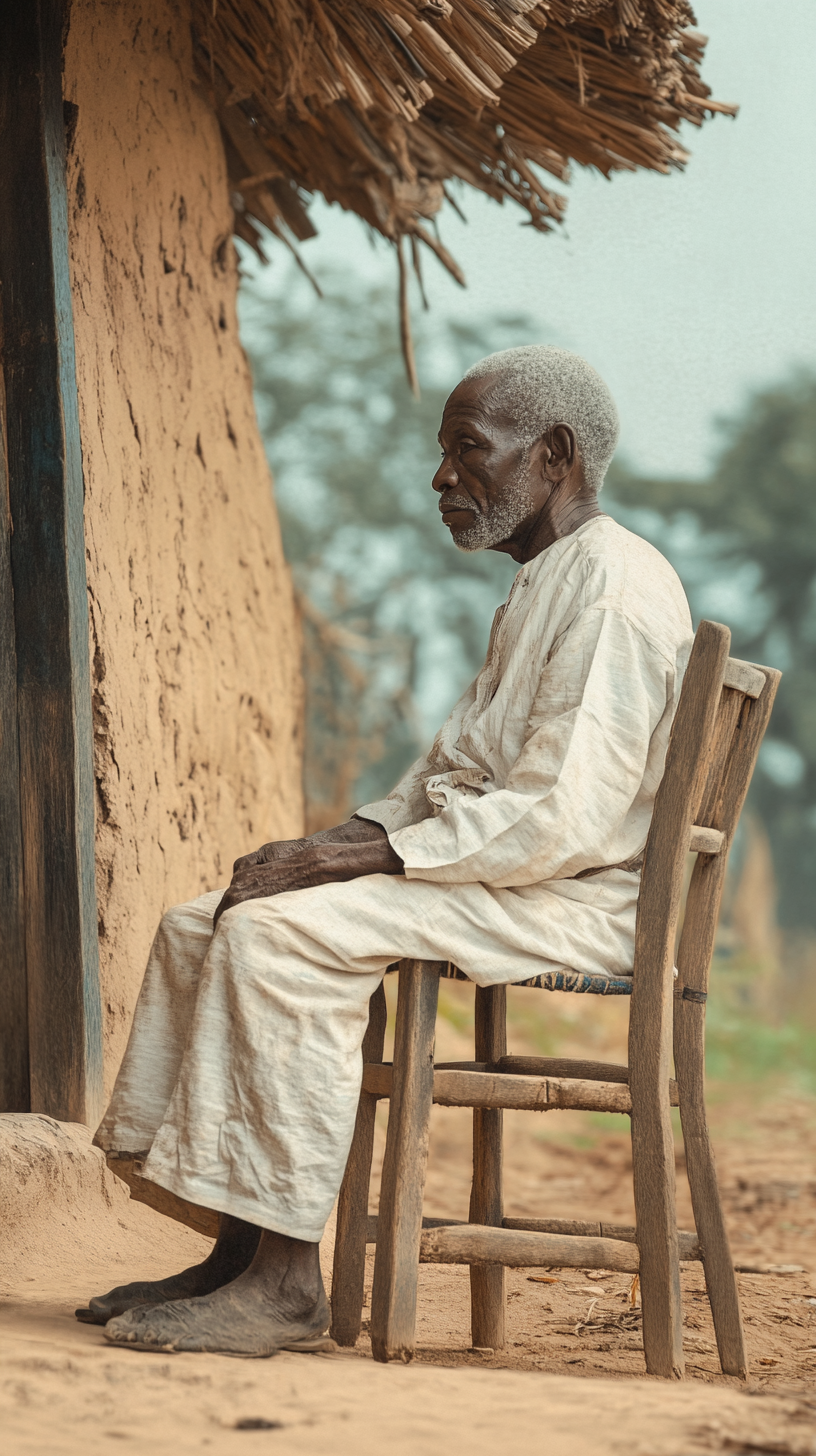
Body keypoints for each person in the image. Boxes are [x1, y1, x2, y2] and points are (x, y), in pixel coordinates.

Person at [80, 346, 692, 1355]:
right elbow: (446, 774)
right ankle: (239, 1253)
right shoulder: (548, 580)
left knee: (281, 941)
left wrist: (360, 862)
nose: (444, 478)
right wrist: (333, 841)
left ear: (554, 455)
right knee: (211, 919)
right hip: (514, 874)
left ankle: (283, 1285)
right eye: (443, 452)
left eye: (469, 450)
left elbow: (560, 818)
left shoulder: (615, 590)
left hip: (570, 893)